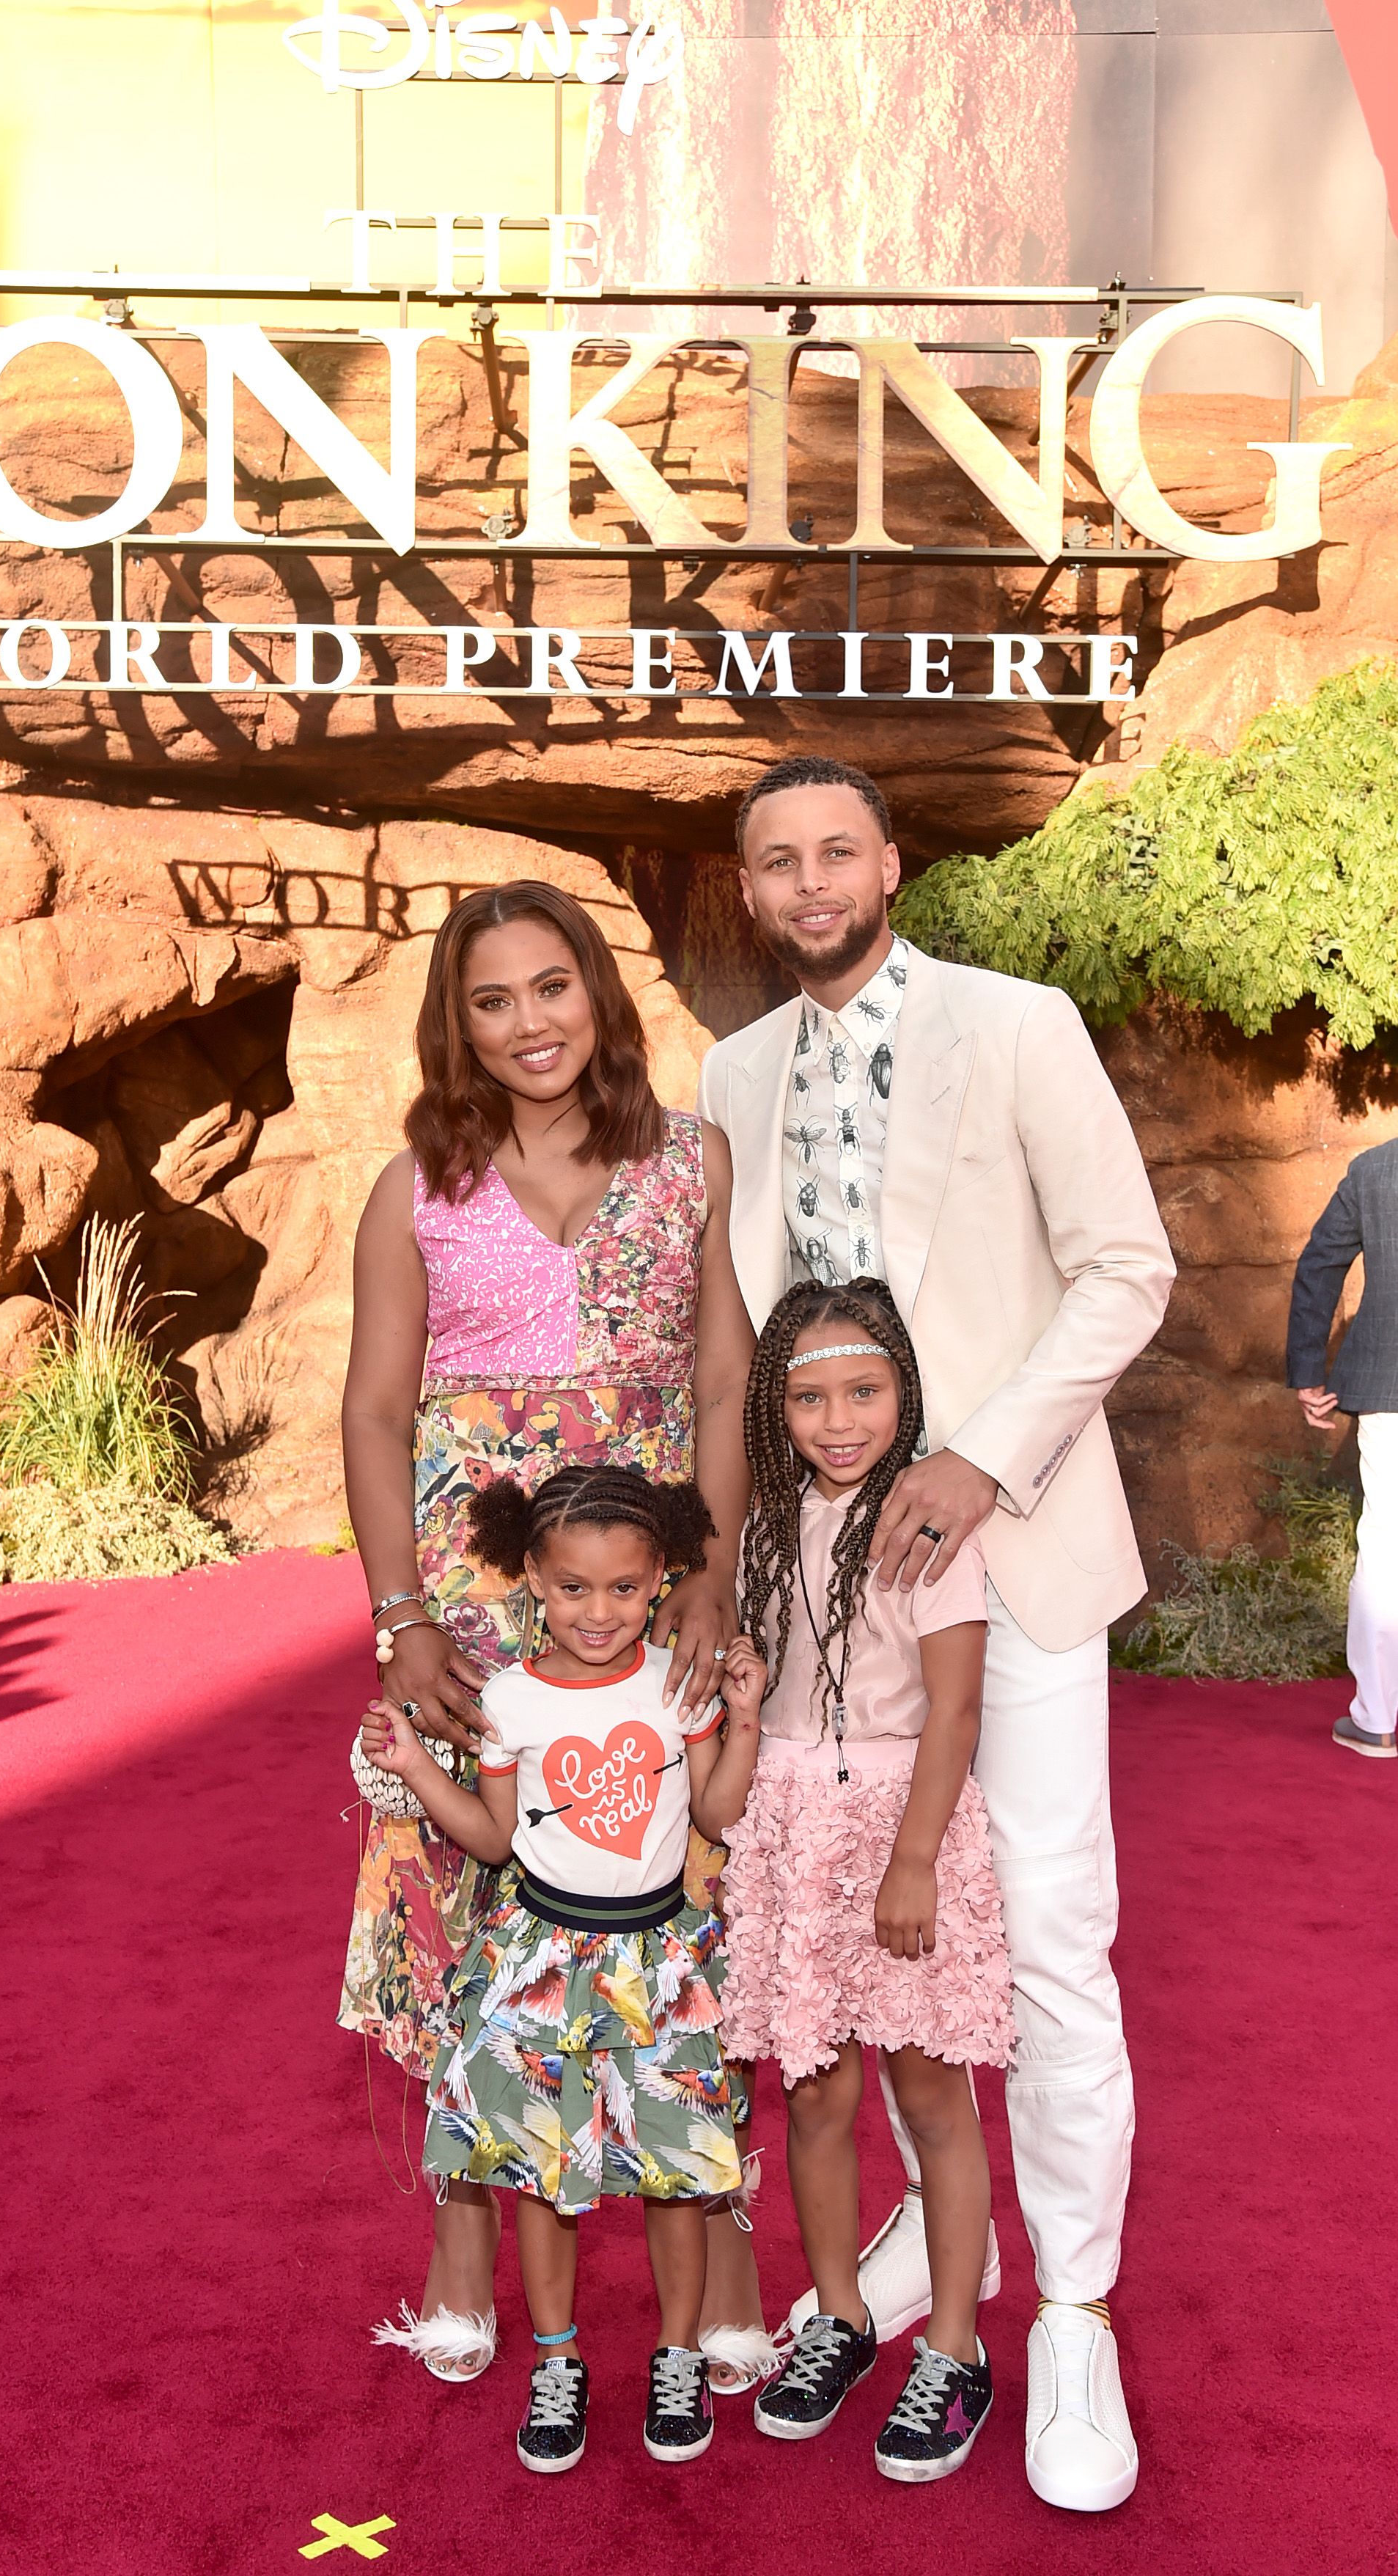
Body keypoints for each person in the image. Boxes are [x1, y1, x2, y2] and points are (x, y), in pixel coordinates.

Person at [697, 755, 1174, 2514]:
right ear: (747, 887)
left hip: (1018, 1549)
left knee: (1046, 1935)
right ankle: (909, 2241)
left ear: (889, 861)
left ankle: (1074, 2307)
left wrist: (978, 1455)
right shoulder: (730, 1073)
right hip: (818, 1601)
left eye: (839, 848)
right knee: (851, 1929)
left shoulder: (1019, 1020)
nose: (813, 880)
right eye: (777, 859)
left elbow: (1126, 1264)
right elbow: (741, 1341)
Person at [338, 880, 766, 2386]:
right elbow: (378, 1409)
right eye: (492, 998)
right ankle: (462, 2258)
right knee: (471, 1903)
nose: (530, 1021)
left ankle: (718, 2266)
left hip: (643, 1575)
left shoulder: (690, 1161)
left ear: (600, 989)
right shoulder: (416, 1187)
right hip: (473, 1589)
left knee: (677, 1876)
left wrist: (709, 1574)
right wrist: (401, 1617)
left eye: (551, 985)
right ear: (456, 1025)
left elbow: (721, 1388)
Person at [360, 1464, 763, 2473]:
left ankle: (674, 2354)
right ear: (530, 1577)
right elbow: (494, 1841)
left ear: (660, 1575)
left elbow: (715, 1814)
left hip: (660, 1963)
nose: (599, 1611)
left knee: (675, 2176)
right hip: (540, 1961)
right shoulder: (507, 1698)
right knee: (540, 2173)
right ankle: (556, 2357)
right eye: (573, 1587)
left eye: (625, 1588)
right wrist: (414, 1769)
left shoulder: (677, 1681)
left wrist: (745, 1714)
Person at [720, 1281, 1015, 2483]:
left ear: (900, 1388)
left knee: (932, 2095)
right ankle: (838, 2314)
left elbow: (953, 1705)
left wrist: (907, 1861)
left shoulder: (926, 1524)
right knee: (818, 2095)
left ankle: (953, 2342)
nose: (837, 1420)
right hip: (791, 1825)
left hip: (901, 1825)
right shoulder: (759, 1525)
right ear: (772, 1407)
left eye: (862, 1390)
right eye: (807, 1397)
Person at [1287, 1136, 1398, 1759]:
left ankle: (1377, 1718)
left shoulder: (1375, 1169)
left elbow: (1320, 1263)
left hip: (1391, 1386)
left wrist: (1309, 1368)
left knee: (1387, 1543)